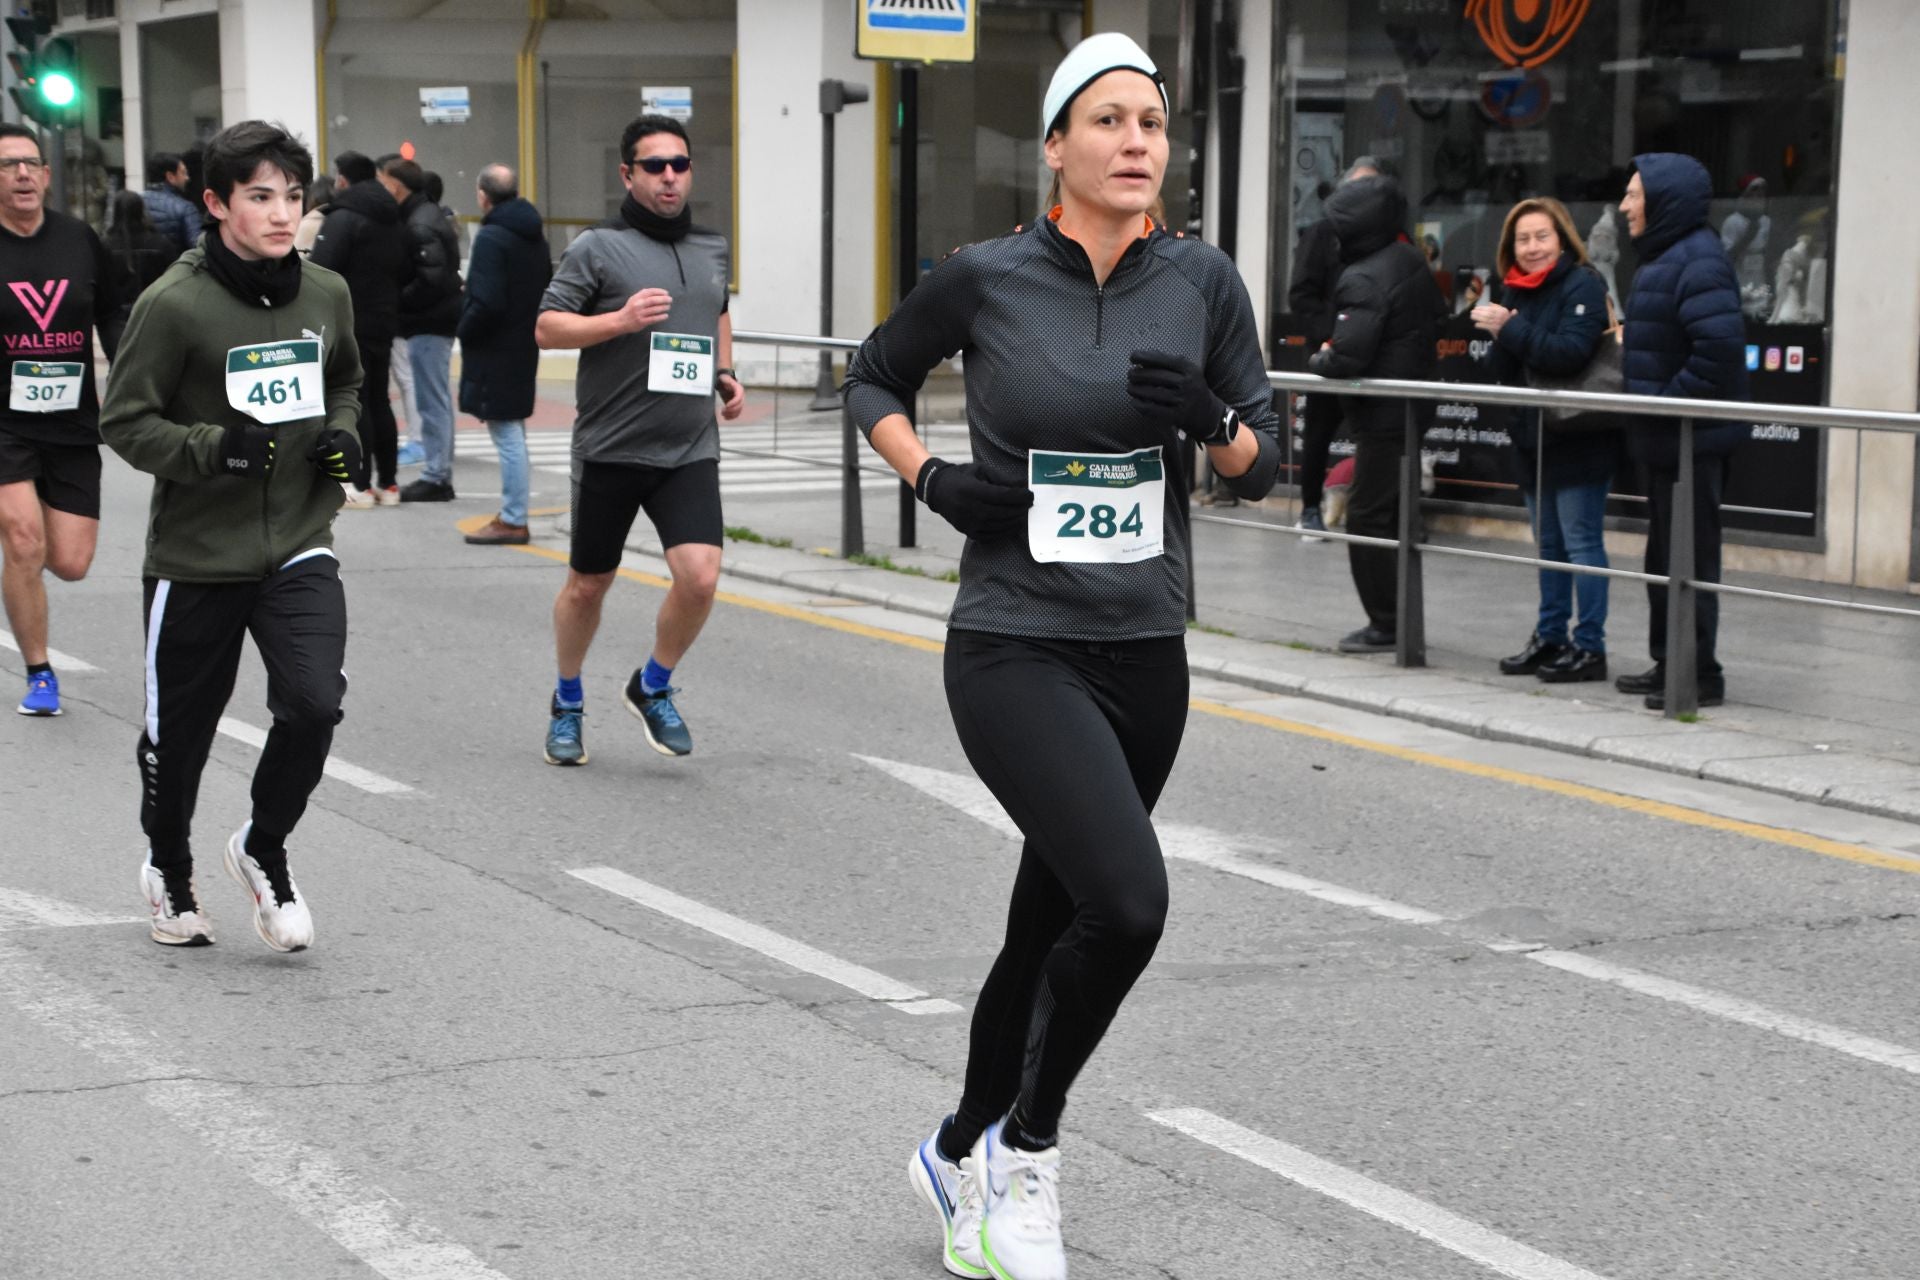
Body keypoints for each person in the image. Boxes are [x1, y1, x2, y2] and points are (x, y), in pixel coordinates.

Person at [845, 34, 1279, 1280]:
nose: (1139, 141)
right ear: (1056, 147)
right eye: (1109, 121)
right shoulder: (986, 278)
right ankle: (1027, 1154)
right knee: (1131, 903)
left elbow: (1267, 460)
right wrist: (933, 477)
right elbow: (874, 375)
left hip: (1145, 651)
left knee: (1048, 927)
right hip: (1013, 644)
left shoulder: (1202, 283)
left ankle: (955, 1141)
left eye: (1151, 121)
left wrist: (1213, 424)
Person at [100, 119, 363, 952]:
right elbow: (125, 422)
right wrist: (213, 447)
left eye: (293, 195)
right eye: (260, 197)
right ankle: (168, 866)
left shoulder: (326, 294)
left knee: (315, 704)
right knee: (178, 739)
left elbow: (346, 379)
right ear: (214, 204)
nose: (283, 213)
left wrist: (347, 435)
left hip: (300, 539)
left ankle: (262, 846)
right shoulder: (173, 304)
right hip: (196, 557)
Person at [534, 113, 744, 766]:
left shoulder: (711, 244)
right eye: (655, 166)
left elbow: (716, 310)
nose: (670, 177)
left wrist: (725, 373)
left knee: (701, 578)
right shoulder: (597, 247)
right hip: (611, 447)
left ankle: (651, 684)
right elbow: (546, 328)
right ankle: (567, 700)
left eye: (680, 164)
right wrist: (619, 320)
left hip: (687, 447)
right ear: (627, 174)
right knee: (588, 586)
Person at [1614, 153, 1749, 709]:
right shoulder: (1668, 256)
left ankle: (1698, 674)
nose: (1624, 206)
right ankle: (1671, 661)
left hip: (1690, 442)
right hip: (1667, 441)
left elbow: (1718, 352)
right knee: (1664, 559)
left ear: (1664, 200)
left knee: (1689, 559)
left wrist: (1664, 407)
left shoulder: (1698, 260)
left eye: (1634, 195)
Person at [0, 122, 125, 717]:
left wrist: (133, 376)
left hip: (72, 420)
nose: (21, 174)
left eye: (30, 164)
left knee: (70, 562)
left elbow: (115, 312)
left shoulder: (80, 240)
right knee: (23, 540)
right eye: (7, 166)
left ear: (47, 176)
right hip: (3, 422)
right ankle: (39, 671)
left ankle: (21, 548)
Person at [1473, 197, 1614, 683]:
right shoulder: (1515, 289)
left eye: (1541, 237)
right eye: (1522, 239)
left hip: (1578, 435)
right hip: (1533, 438)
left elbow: (1569, 353)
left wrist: (1511, 328)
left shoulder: (1585, 284)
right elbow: (1503, 371)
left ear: (1563, 240)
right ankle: (1550, 636)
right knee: (1548, 546)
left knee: (1581, 542)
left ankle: (1590, 646)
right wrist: (1500, 335)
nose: (1532, 248)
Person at [1307, 172, 1447, 653]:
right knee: (1396, 518)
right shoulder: (1408, 256)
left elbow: (1347, 355)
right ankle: (1403, 618)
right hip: (1412, 408)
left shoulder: (1362, 275)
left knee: (1367, 517)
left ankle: (1385, 624)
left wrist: (1319, 358)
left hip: (1383, 417)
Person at [309, 149, 410, 508]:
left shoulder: (344, 216)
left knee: (357, 399)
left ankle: (360, 483)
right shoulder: (392, 216)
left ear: (342, 179)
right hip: (385, 317)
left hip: (351, 318)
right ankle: (390, 483)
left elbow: (321, 269)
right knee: (380, 399)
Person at [1286, 156, 1378, 539]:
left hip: (1374, 356)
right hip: (1329, 353)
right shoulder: (1321, 234)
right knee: (1319, 432)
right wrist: (1331, 335)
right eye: (1357, 188)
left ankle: (1377, 512)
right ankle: (1310, 509)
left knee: (1376, 436)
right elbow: (1301, 294)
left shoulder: (1387, 239)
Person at [459, 163, 548, 546]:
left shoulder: (493, 236)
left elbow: (487, 300)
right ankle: (513, 514)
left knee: (506, 431)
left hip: (495, 346)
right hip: (523, 340)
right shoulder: (533, 234)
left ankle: (513, 519)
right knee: (513, 429)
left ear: (483, 195)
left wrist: (463, 327)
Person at [379, 156, 462, 503]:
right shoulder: (422, 215)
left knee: (432, 401)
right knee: (434, 398)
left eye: (381, 181)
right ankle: (438, 471)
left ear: (396, 186)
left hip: (430, 321)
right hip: (432, 319)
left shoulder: (419, 223)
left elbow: (432, 279)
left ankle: (436, 475)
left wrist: (397, 300)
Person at [107, 189, 183, 301]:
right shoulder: (161, 244)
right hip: (154, 308)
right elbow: (175, 279)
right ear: (141, 210)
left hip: (117, 313)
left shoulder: (105, 246)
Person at [141, 152, 203, 253]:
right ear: (170, 177)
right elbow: (199, 248)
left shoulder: (136, 202)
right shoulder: (185, 208)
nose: (187, 178)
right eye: (183, 173)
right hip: (174, 267)